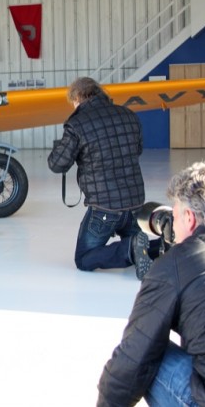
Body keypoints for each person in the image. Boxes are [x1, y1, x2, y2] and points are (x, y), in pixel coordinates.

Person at [97, 158, 205, 406]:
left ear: (189, 218)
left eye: (176, 216)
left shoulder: (175, 263)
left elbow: (132, 358)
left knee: (150, 352)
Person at [47, 76, 153, 279]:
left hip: (104, 208)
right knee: (140, 241)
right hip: (135, 203)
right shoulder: (129, 115)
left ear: (77, 98)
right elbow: (137, 150)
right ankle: (160, 246)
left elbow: (57, 164)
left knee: (84, 259)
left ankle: (130, 248)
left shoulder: (77, 123)